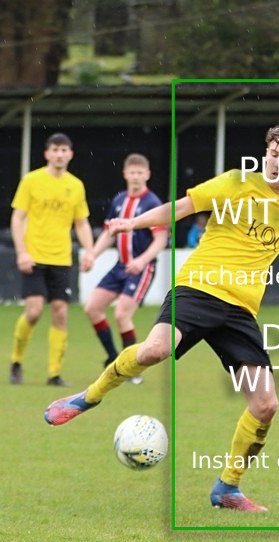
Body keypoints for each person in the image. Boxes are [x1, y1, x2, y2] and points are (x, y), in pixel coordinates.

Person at [44, 120, 279, 513]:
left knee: (266, 405)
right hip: (199, 288)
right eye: (272, 153)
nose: (275, 163)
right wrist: (131, 222)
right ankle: (89, 396)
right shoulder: (236, 183)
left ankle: (227, 489)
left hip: (240, 312)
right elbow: (181, 209)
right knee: (155, 350)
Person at [9, 133, 94, 386]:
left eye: (64, 150)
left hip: (61, 258)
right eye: (55, 149)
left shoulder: (76, 185)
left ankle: (54, 374)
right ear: (47, 153)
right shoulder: (31, 180)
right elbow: (17, 219)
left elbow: (81, 222)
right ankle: (16, 361)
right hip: (34, 256)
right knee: (34, 312)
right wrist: (22, 252)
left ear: (71, 154)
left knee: (60, 313)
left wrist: (89, 250)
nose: (59, 154)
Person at [80, 153, 168, 384]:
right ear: (125, 174)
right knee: (92, 308)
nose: (136, 177)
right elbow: (110, 234)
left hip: (141, 268)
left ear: (147, 175)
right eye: (132, 172)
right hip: (120, 266)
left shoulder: (152, 203)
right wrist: (92, 254)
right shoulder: (119, 200)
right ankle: (112, 357)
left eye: (140, 173)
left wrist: (142, 261)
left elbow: (160, 239)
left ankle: (133, 369)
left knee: (121, 314)